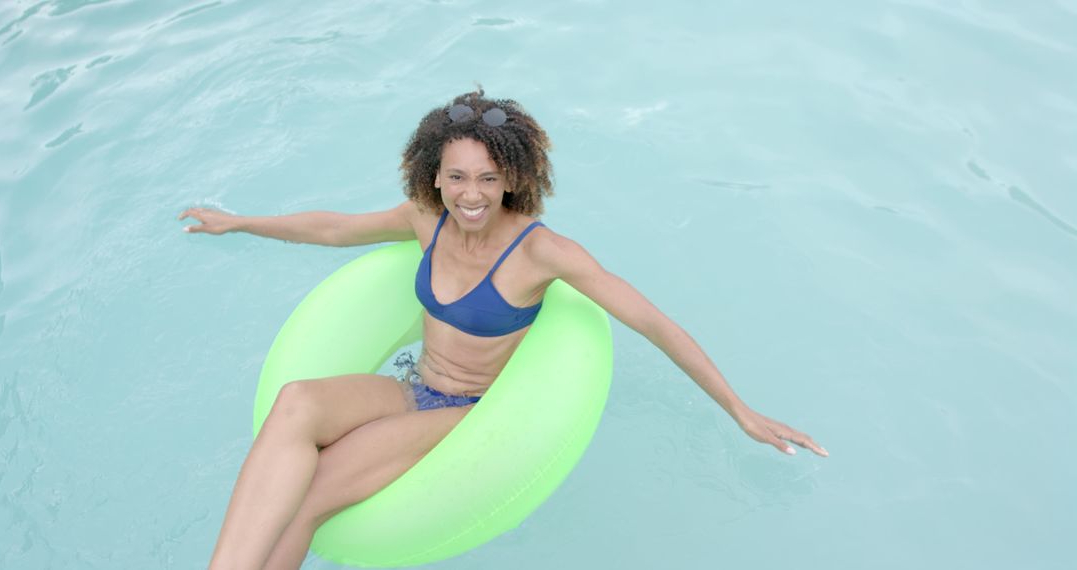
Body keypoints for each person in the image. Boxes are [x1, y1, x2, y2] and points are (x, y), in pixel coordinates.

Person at [179, 89, 828, 570]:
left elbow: (652, 321)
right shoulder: (423, 219)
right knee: (297, 402)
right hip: (413, 386)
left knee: (315, 489)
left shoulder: (543, 254)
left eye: (488, 178)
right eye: (457, 176)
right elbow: (332, 228)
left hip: (469, 412)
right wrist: (239, 223)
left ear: (511, 178)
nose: (471, 194)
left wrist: (740, 410)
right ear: (435, 174)